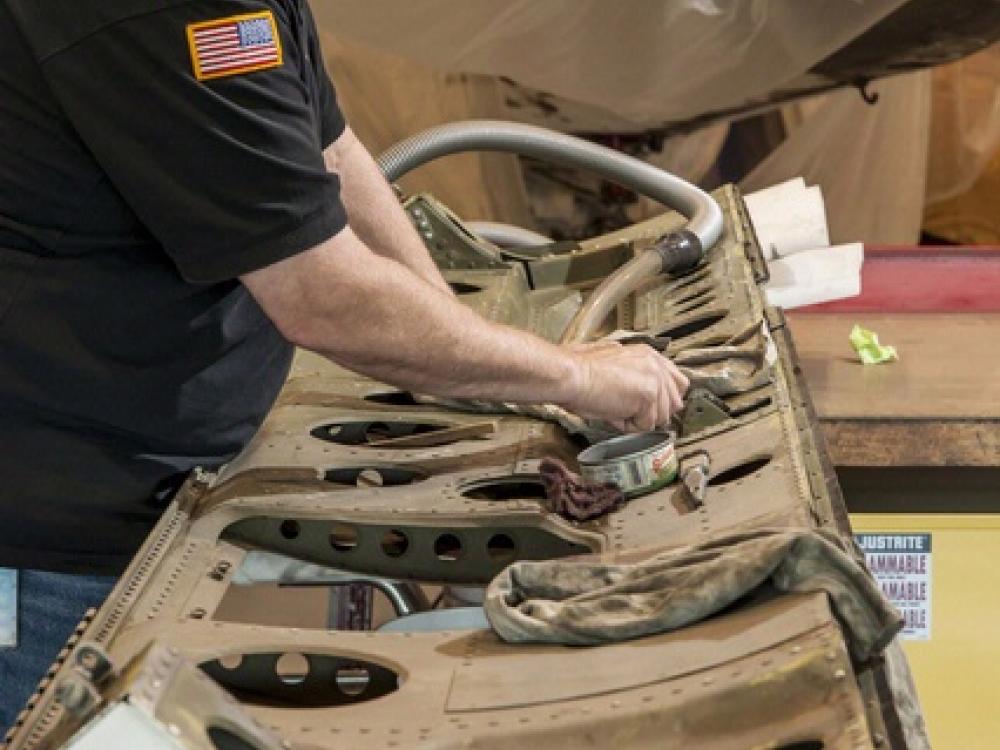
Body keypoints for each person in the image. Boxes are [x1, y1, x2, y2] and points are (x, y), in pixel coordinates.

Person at [0, 0, 689, 727]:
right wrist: (576, 377)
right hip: (46, 529)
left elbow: (326, 151)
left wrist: (466, 348)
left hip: (132, 480)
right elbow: (321, 294)